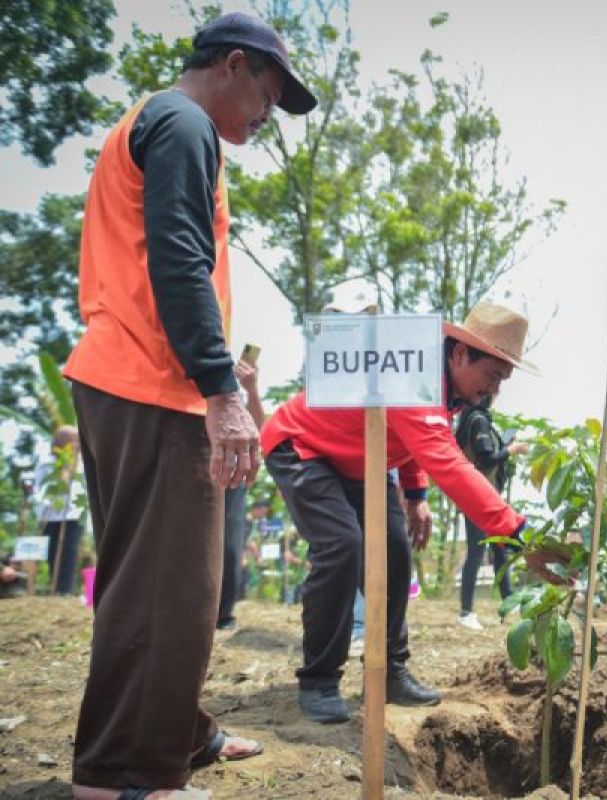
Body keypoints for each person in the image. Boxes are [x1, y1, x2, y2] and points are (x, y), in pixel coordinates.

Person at [61, 12, 315, 798]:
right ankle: (127, 775)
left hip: (122, 377)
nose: (268, 116)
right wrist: (219, 387)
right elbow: (177, 253)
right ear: (234, 66)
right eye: (269, 94)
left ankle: (180, 731)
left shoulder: (154, 122)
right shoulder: (182, 122)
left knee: (154, 579)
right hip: (153, 383)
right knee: (174, 589)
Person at [261, 301, 536, 724]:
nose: (495, 389)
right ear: (461, 354)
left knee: (394, 550)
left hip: (361, 462)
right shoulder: (415, 374)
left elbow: (404, 437)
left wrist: (415, 493)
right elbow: (449, 462)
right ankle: (319, 679)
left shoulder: (442, 389)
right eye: (493, 375)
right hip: (303, 447)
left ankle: (389, 671)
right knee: (342, 545)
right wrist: (518, 532)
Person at [456, 396, 524, 630]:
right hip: (479, 496)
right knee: (477, 552)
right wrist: (510, 450)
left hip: (483, 494)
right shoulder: (479, 421)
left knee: (500, 548)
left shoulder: (470, 420)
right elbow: (486, 459)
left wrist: (503, 446)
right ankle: (466, 612)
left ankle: (509, 600)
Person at [217, 357, 266, 630]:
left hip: (233, 481)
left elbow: (257, 429)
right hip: (198, 473)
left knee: (230, 548)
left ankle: (223, 614)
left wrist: (252, 388)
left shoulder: (239, 399)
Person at [33, 426, 87, 595]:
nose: (77, 444)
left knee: (69, 555)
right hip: (49, 516)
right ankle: (55, 588)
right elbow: (40, 489)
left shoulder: (81, 464)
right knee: (52, 554)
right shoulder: (46, 463)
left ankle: (65, 591)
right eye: (73, 440)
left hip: (72, 516)